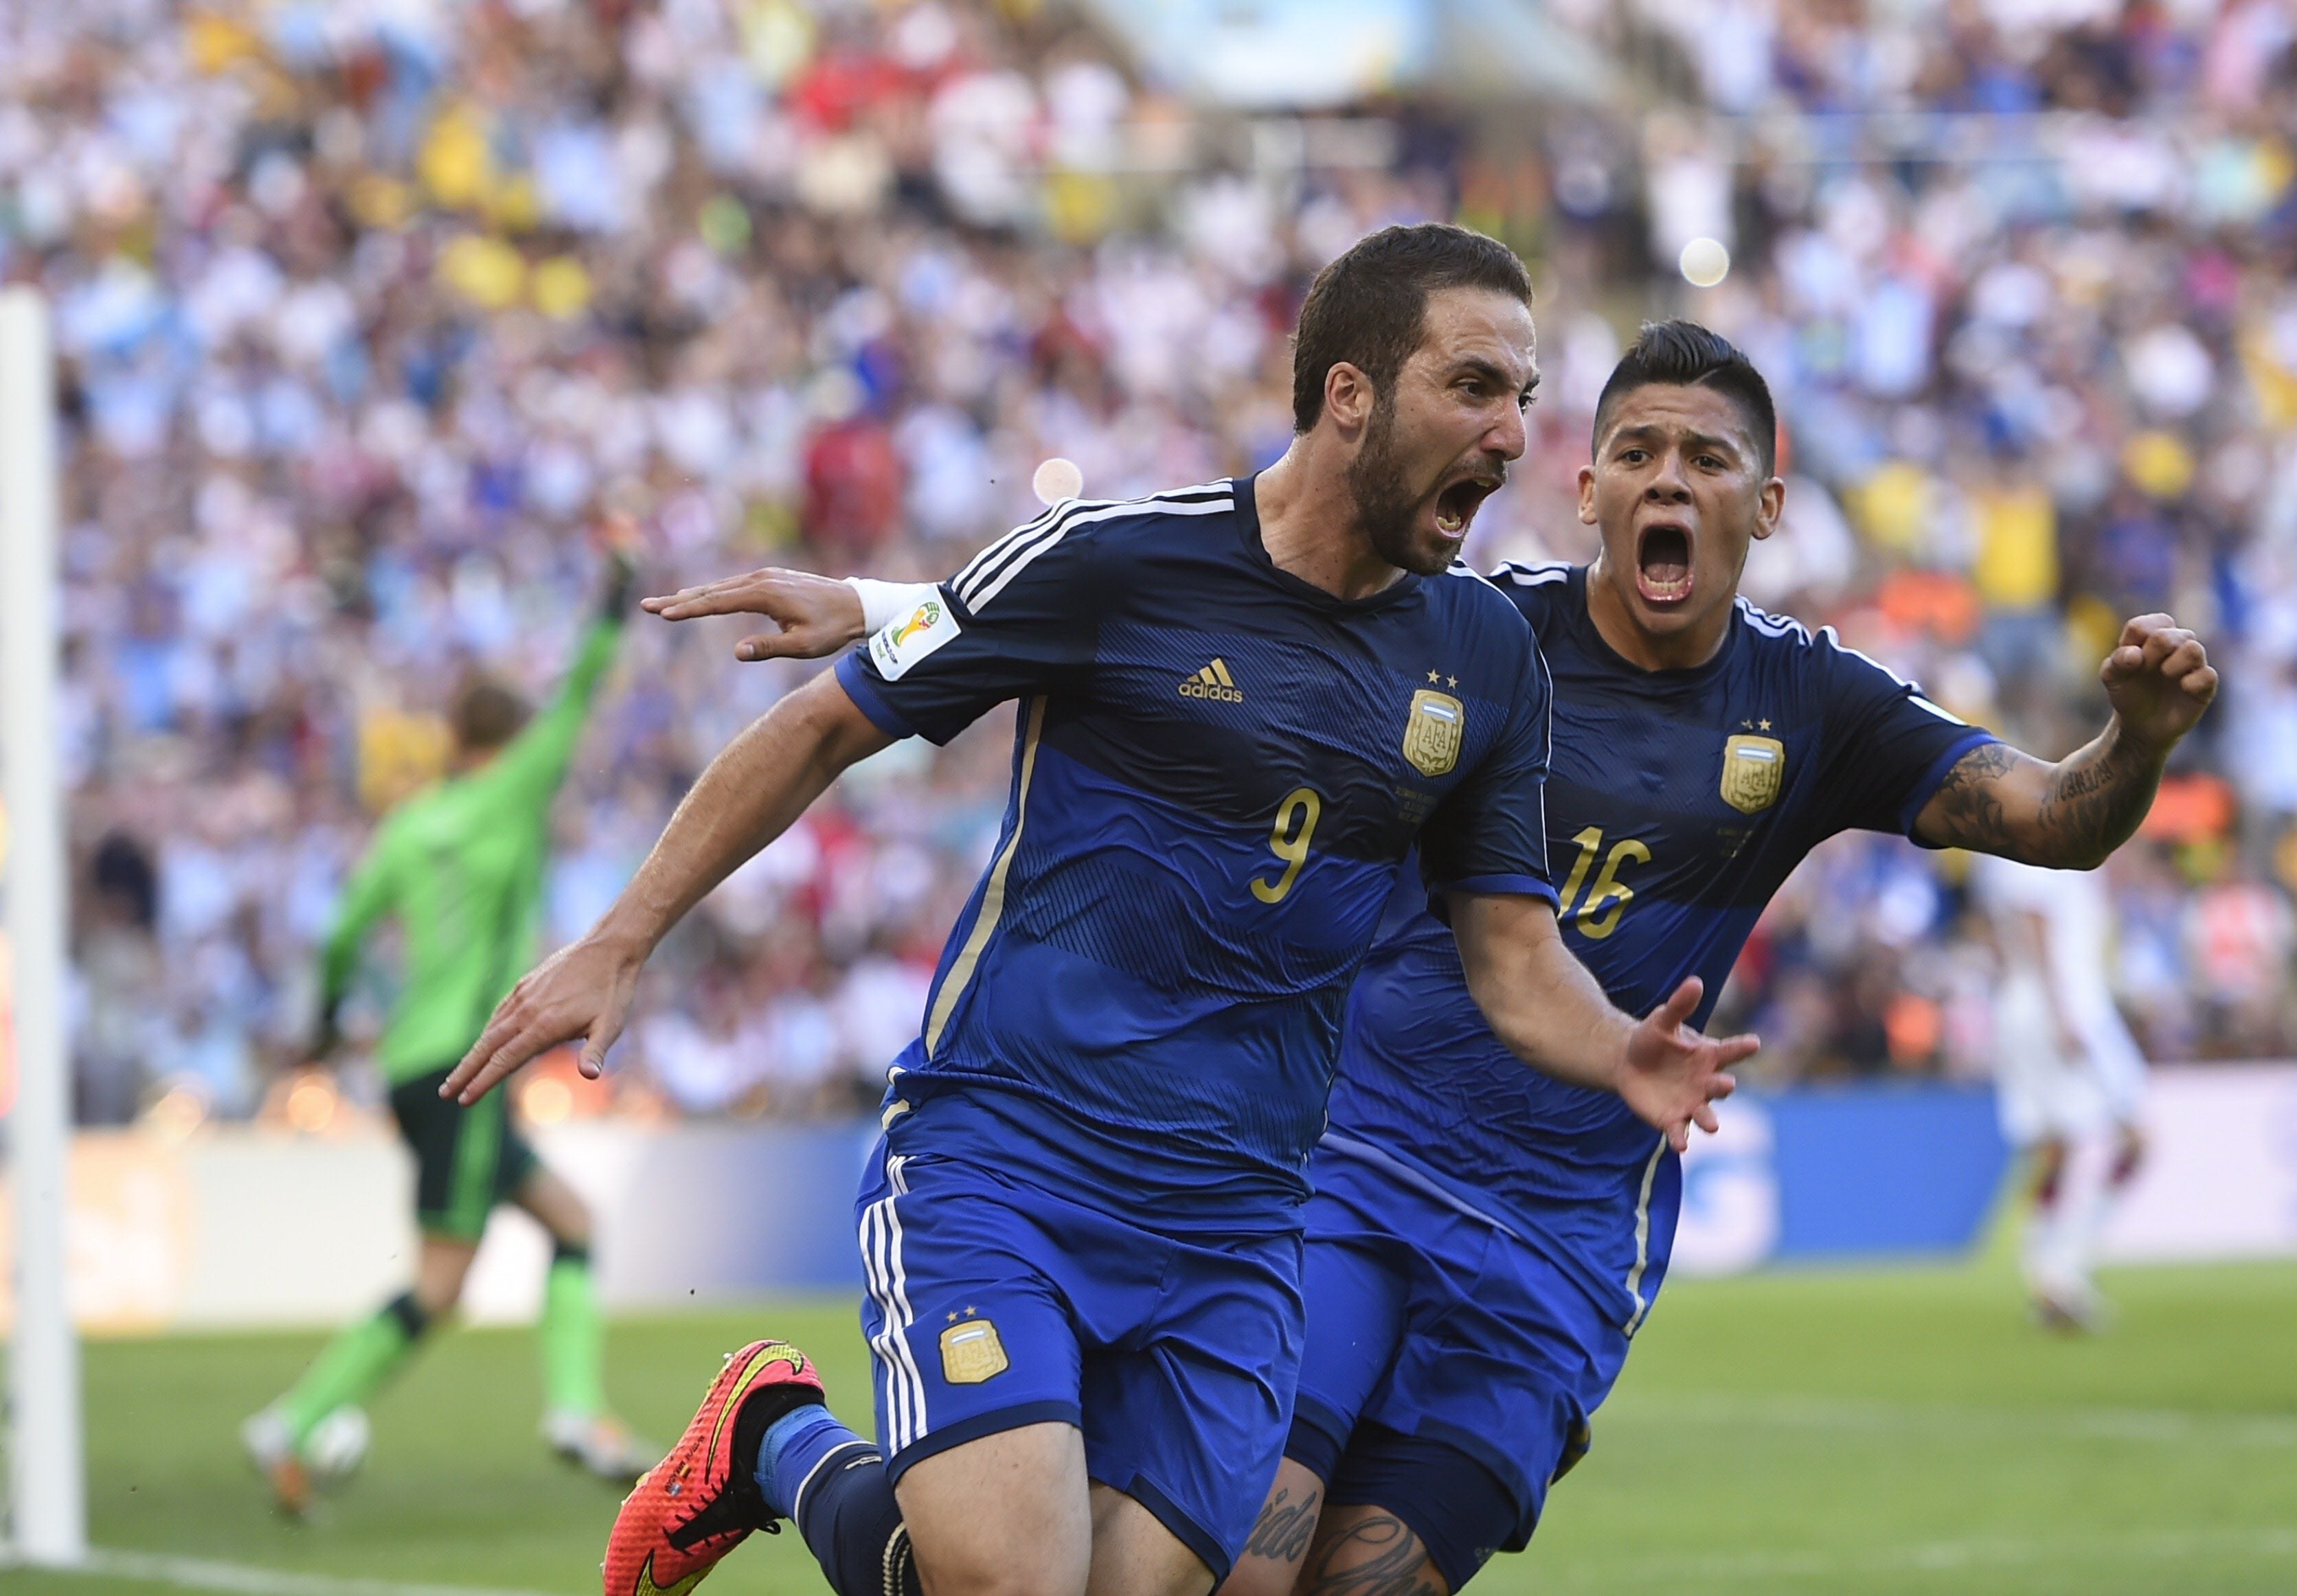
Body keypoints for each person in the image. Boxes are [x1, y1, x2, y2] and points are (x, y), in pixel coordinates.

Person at [656, 319, 2217, 1594]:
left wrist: (2132, 743)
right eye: (1637, 454)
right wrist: (881, 607)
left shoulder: (1818, 707)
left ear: (1767, 507)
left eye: (1710, 460)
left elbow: (2055, 817)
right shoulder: (1470, 637)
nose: (1669, 482)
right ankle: (788, 1447)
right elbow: (1169, 621)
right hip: (1352, 1172)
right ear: (1590, 487)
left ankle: (777, 1446)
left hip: (1551, 1254)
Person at [439, 227, 1750, 1596]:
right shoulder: (1119, 561)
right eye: (1474, 387)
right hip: (1010, 1163)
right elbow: (828, 725)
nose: (1511, 433)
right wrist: (623, 933)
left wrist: (1618, 1052)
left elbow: (1512, 952)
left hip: (1241, 1223)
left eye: (1523, 399)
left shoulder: (1483, 655)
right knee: (1015, 1583)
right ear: (1350, 394)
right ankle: (782, 1442)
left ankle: (773, 1438)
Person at [242, 552, 650, 1514]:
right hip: (469, 1061)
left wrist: (329, 1022)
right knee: (440, 1285)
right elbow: (576, 705)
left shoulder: (409, 825)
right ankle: (293, 1425)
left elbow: (343, 933)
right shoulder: (510, 795)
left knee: (572, 1224)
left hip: (413, 1061)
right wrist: (607, 603)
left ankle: (578, 1409)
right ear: (502, 750)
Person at [1972, 851, 2149, 1330]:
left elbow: (2002, 932)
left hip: (2038, 1002)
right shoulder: (2036, 840)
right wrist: (2059, 1009)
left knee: (2059, 1147)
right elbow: (2035, 923)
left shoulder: (2011, 845)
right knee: (2132, 1139)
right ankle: (2061, 1270)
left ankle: (2048, 1269)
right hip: (2064, 1007)